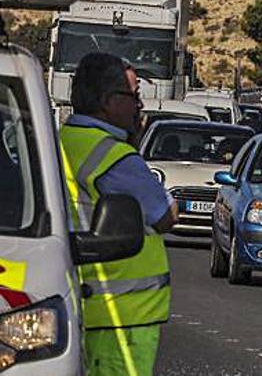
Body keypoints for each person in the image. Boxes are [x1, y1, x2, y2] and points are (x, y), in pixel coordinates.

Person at [60, 52, 178, 376]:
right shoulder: (116, 156)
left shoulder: (59, 140)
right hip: (121, 312)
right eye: (133, 96)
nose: (139, 105)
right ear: (108, 101)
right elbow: (165, 214)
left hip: (75, 300)